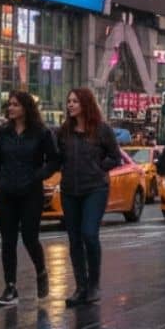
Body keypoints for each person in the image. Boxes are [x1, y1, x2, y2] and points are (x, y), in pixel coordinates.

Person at [0, 91, 59, 308]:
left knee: (30, 237)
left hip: (31, 193)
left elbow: (54, 160)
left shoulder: (41, 133)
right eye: (9, 105)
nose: (10, 108)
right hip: (7, 192)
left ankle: (41, 270)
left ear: (26, 108)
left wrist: (37, 176)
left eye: (15, 105)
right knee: (8, 240)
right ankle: (10, 287)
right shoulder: (3, 133)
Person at [58, 87, 121, 306]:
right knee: (74, 239)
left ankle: (94, 284)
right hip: (69, 190)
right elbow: (57, 158)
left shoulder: (102, 130)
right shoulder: (64, 131)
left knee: (89, 234)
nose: (71, 105)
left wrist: (97, 167)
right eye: (69, 101)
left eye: (75, 101)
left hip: (95, 188)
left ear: (85, 103)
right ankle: (80, 286)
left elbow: (115, 157)